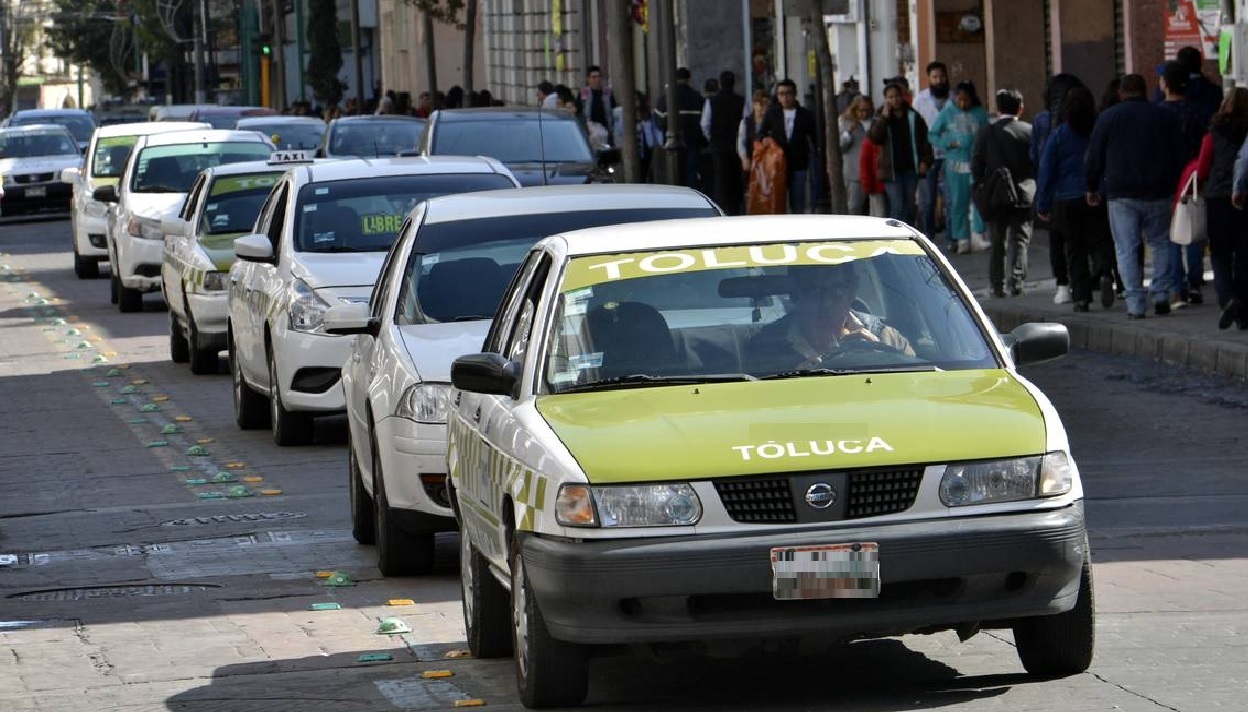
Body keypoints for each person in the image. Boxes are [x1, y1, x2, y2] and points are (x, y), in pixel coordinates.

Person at [1084, 73, 1181, 318]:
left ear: (1121, 93)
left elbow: (1093, 156)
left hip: (1122, 193)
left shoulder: (1108, 118)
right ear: (1145, 90)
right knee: (1160, 243)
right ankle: (1160, 295)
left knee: (1126, 247)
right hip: (1159, 191)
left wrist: (1091, 186)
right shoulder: (1163, 115)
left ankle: (1136, 303)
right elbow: (1178, 151)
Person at [747, 263, 915, 374]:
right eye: (813, 290)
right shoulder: (765, 347)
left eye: (836, 289)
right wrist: (795, 379)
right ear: (795, 295)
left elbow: (916, 391)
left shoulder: (887, 339)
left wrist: (880, 358)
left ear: (852, 290)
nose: (826, 302)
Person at [1036, 86, 1115, 312]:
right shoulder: (1098, 131)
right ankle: (1104, 271)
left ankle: (1081, 297)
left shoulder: (1059, 135)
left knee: (1075, 248)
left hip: (1066, 199)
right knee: (1100, 240)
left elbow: (1047, 170)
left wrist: (1043, 203)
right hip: (1096, 194)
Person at [972, 88, 1034, 298]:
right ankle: (1016, 282)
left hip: (997, 194)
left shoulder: (986, 132)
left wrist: (982, 186)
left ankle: (996, 285)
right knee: (1020, 239)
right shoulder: (1028, 131)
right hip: (1024, 193)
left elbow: (976, 165)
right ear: (1020, 108)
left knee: (998, 241)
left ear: (997, 109)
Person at [1030, 73, 1085, 304]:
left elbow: (1035, 155)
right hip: (1083, 189)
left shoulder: (1043, 120)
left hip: (1052, 189)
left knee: (1057, 239)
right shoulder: (1086, 118)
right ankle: (1085, 282)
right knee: (1080, 240)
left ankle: (1062, 285)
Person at [1159, 60, 1209, 306]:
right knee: (1194, 229)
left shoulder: (1158, 112)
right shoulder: (1197, 110)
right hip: (1194, 177)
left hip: (1167, 180)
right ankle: (1195, 282)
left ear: (1165, 84)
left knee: (1173, 234)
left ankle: (1178, 288)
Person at [1197, 88, 1248, 329]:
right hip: (1245, 197)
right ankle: (1243, 311)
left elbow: (1204, 166)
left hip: (1218, 197)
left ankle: (1228, 298)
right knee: (1245, 254)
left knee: (1219, 253)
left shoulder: (1213, 134)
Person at [928, 80, 989, 254]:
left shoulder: (980, 113)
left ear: (972, 98)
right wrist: (948, 143)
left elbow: (987, 134)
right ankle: (962, 238)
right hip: (955, 163)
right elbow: (932, 134)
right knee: (958, 201)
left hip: (976, 162)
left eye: (966, 100)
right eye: (959, 99)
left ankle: (978, 235)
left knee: (978, 199)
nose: (962, 103)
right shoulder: (947, 113)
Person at [869, 81, 932, 224]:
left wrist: (925, 160)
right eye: (890, 97)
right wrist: (884, 118)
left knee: (909, 206)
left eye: (897, 96)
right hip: (890, 170)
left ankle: (908, 233)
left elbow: (924, 139)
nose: (894, 100)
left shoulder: (912, 115)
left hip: (910, 167)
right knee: (898, 205)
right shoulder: (880, 116)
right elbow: (874, 137)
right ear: (885, 99)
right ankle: (894, 236)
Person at [758, 78, 818, 214]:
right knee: (777, 200)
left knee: (798, 201)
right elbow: (761, 133)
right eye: (781, 94)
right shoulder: (773, 113)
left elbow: (815, 137)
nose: (785, 97)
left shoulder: (805, 114)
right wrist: (765, 139)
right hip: (777, 164)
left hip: (799, 163)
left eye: (788, 93)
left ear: (794, 94)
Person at [912, 61, 951, 238]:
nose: (939, 80)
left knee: (951, 198)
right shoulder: (920, 99)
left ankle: (953, 235)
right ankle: (928, 234)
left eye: (941, 76)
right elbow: (916, 130)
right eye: (935, 77)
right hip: (929, 156)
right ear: (929, 79)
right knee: (928, 199)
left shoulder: (954, 98)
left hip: (951, 155)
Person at [700, 71, 747, 214]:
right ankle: (735, 207)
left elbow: (705, 124)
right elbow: (746, 123)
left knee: (720, 178)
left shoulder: (711, 102)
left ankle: (721, 207)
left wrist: (712, 138)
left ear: (719, 84)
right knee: (735, 178)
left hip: (718, 146)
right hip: (737, 146)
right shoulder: (741, 101)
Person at [654, 67, 709, 189]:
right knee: (691, 173)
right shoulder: (697, 98)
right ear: (689, 80)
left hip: (670, 145)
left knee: (673, 174)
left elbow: (658, 122)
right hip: (693, 142)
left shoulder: (664, 99)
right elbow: (704, 123)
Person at [839, 94, 873, 215]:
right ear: (855, 110)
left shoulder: (874, 122)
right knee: (854, 207)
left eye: (867, 110)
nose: (864, 114)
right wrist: (849, 133)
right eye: (861, 110)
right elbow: (840, 147)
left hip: (874, 172)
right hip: (855, 173)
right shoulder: (846, 123)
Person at [578, 65, 617, 143]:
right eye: (593, 77)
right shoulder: (583, 93)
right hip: (590, 131)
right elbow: (579, 111)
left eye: (599, 77)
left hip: (606, 130)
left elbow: (613, 109)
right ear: (588, 79)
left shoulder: (607, 92)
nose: (597, 79)